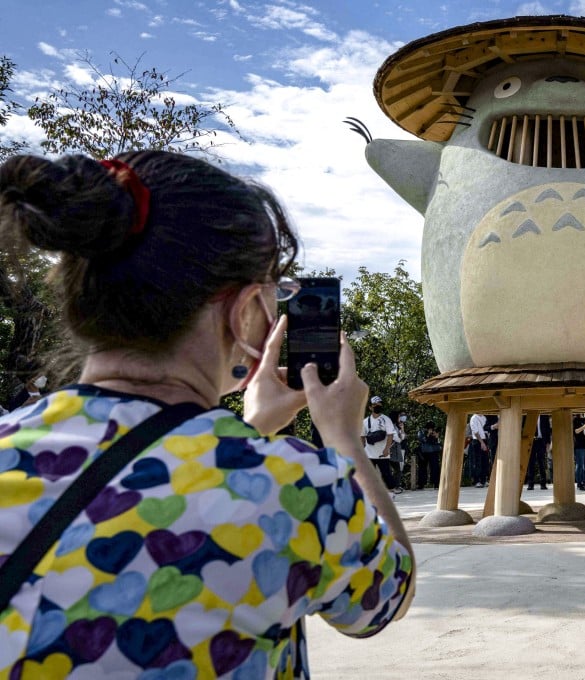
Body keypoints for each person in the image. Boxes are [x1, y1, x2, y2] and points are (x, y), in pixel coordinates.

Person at [0, 150, 414, 677]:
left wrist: (251, 429)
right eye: (275, 295)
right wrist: (343, 438)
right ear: (244, 311)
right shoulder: (293, 488)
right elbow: (387, 596)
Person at [362, 396, 400, 493]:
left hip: (382, 453)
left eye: (379, 404)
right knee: (369, 474)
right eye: (375, 405)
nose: (377, 406)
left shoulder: (386, 419)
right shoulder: (365, 422)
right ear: (370, 407)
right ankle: (370, 492)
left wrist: (387, 448)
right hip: (369, 452)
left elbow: (390, 435)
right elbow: (362, 436)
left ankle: (392, 489)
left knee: (386, 473)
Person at [526, 414, 551, 490]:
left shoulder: (544, 415)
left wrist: (548, 442)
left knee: (542, 462)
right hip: (531, 441)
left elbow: (548, 429)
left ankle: (543, 484)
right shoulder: (529, 416)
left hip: (541, 441)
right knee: (531, 463)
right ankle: (530, 484)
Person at [417, 420, 443, 488]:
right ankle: (421, 484)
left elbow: (438, 442)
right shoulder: (421, 432)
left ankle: (436, 483)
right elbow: (422, 440)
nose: (431, 429)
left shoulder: (434, 432)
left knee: (435, 468)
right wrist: (428, 434)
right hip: (424, 452)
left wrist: (436, 436)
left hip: (433, 452)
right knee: (422, 468)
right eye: (430, 428)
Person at [468, 411, 489, 487]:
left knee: (485, 460)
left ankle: (484, 480)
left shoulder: (484, 417)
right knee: (477, 461)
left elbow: (486, 429)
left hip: (485, 439)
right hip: (477, 440)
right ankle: (476, 480)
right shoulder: (473, 418)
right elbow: (475, 431)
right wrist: (481, 442)